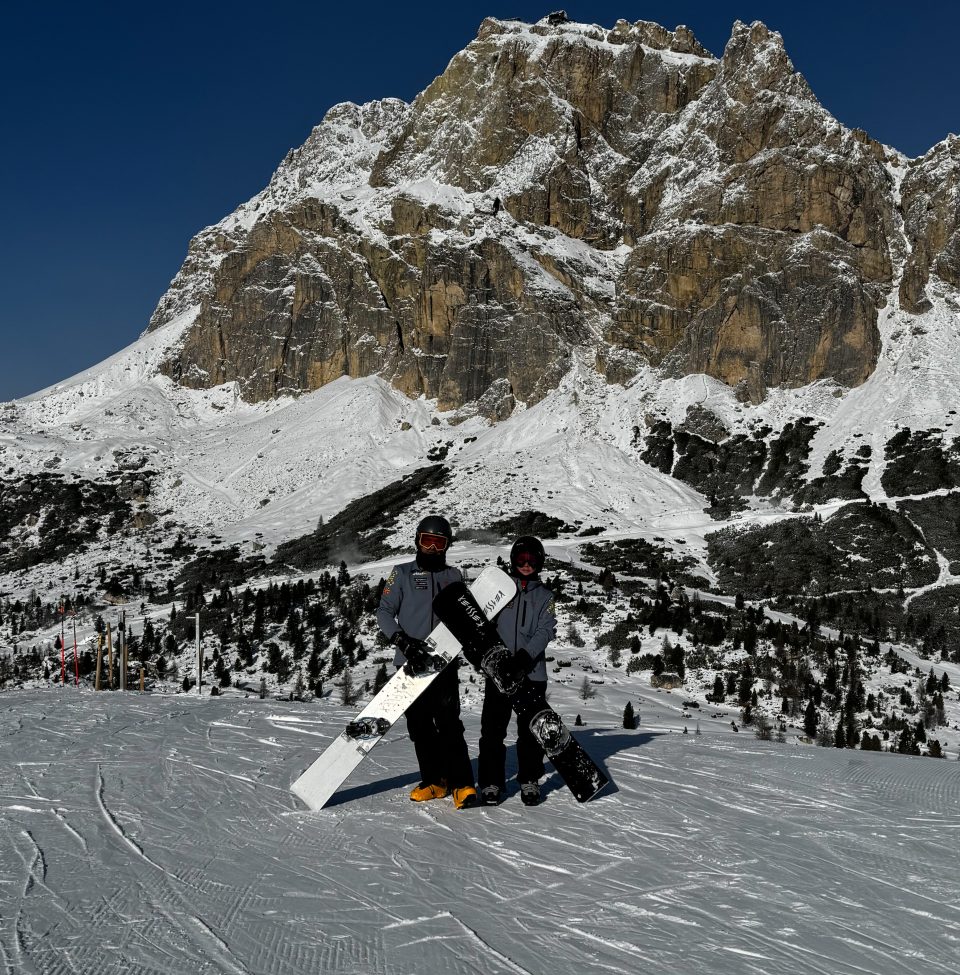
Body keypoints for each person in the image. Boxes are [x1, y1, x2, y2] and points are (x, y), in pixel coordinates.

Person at [377, 515, 478, 809]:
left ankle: (462, 784)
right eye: (427, 541)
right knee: (420, 726)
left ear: (447, 546)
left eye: (439, 543)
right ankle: (435, 781)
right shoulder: (402, 573)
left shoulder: (454, 576)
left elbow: (465, 616)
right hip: (410, 662)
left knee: (449, 723)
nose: (432, 548)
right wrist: (401, 640)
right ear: (418, 541)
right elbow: (384, 611)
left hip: (443, 661)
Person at [478, 535, 556, 807]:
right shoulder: (500, 591)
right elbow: (483, 625)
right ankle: (491, 782)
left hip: (531, 674)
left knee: (531, 732)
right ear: (513, 560)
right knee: (492, 731)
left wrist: (523, 659)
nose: (526, 565)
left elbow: (546, 630)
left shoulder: (546, 597)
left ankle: (529, 779)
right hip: (499, 673)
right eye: (521, 559)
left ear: (539, 563)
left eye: (532, 560)